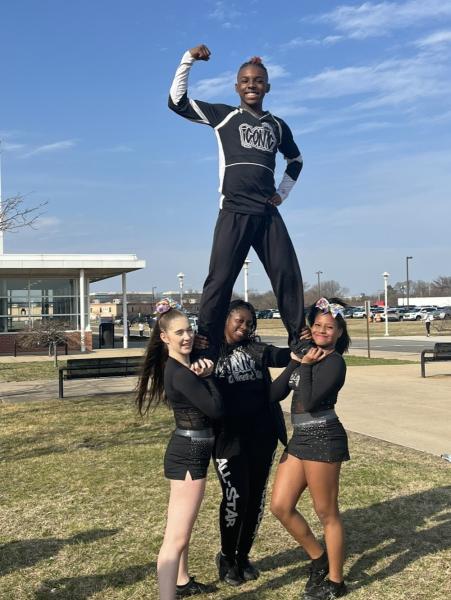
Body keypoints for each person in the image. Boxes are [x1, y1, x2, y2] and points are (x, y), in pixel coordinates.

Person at [168, 44, 310, 360]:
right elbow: (176, 103)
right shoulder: (224, 116)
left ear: (267, 87)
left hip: (267, 213)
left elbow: (296, 160)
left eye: (258, 80)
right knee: (220, 280)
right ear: (236, 86)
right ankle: (205, 339)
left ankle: (299, 338)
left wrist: (282, 194)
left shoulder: (277, 124)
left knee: (287, 274)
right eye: (245, 80)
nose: (251, 85)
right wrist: (188, 59)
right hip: (233, 210)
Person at [196, 299, 295, 586]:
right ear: (226, 319)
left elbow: (281, 356)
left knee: (255, 499)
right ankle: (226, 556)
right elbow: (179, 353)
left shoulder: (255, 349)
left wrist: (300, 349)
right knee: (235, 497)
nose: (244, 327)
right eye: (239, 320)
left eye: (249, 323)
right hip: (228, 439)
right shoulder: (209, 351)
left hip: (262, 435)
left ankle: (242, 555)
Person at [136, 300, 223, 599]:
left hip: (189, 450)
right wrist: (209, 376)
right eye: (179, 333)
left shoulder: (179, 365)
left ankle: (182, 581)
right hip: (188, 454)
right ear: (164, 337)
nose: (186, 337)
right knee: (176, 537)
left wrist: (198, 355)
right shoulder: (181, 373)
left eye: (190, 330)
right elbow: (215, 409)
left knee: (181, 528)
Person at [269, 298, 351, 600]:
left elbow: (312, 399)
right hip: (300, 438)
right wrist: (295, 359)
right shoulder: (306, 356)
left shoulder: (334, 362)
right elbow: (274, 394)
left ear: (339, 332)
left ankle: (335, 581)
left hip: (324, 437)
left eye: (329, 327)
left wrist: (306, 365)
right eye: (317, 325)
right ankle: (318, 558)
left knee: (326, 512)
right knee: (280, 506)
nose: (322, 331)